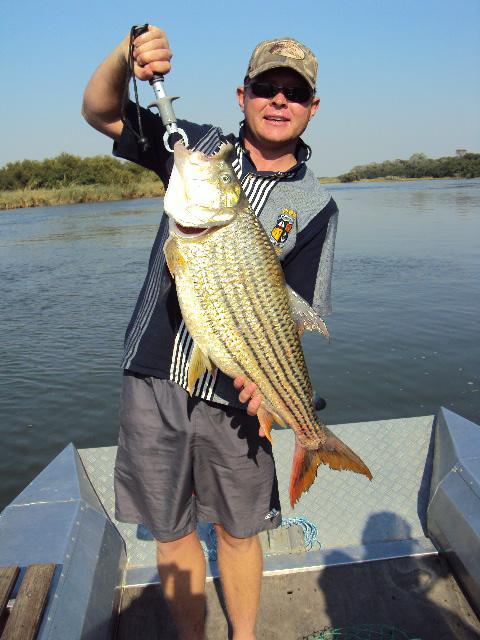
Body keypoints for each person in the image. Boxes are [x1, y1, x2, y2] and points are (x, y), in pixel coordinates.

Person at [82, 26, 338, 640]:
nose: (279, 101)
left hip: (239, 386)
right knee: (169, 529)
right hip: (155, 375)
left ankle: (243, 636)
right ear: (241, 95)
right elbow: (99, 111)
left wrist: (271, 388)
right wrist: (125, 57)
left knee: (239, 529)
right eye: (265, 88)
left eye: (293, 93)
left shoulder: (317, 206)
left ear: (311, 108)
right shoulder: (195, 146)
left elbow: (294, 314)